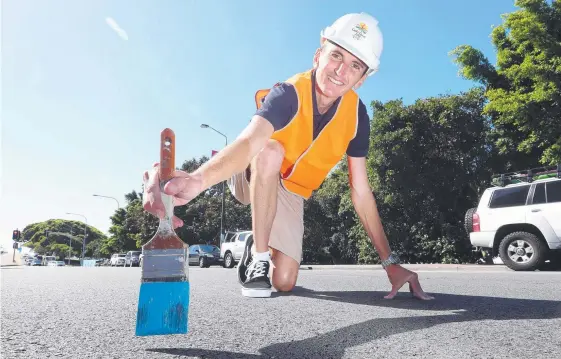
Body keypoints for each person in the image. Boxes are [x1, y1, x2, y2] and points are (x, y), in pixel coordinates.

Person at [142, 12, 434, 300]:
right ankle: (259, 258)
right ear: (318, 55)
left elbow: (361, 192)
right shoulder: (288, 93)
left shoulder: (357, 117)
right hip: (252, 166)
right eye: (336, 56)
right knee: (269, 149)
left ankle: (259, 241)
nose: (340, 71)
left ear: (361, 78)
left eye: (354, 65)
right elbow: (248, 142)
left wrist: (389, 262)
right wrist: (197, 180)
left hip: (290, 189)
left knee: (284, 281)